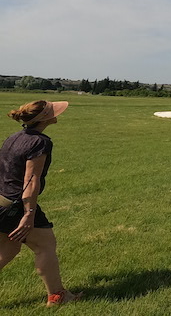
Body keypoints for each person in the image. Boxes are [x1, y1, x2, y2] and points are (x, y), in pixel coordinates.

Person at [0, 100, 82, 307]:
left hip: (2, 202)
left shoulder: (14, 138)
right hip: (17, 206)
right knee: (45, 245)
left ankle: (58, 296)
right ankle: (58, 297)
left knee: (9, 249)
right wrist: (28, 214)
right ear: (44, 118)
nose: (58, 113)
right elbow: (31, 180)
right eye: (53, 111)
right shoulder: (40, 142)